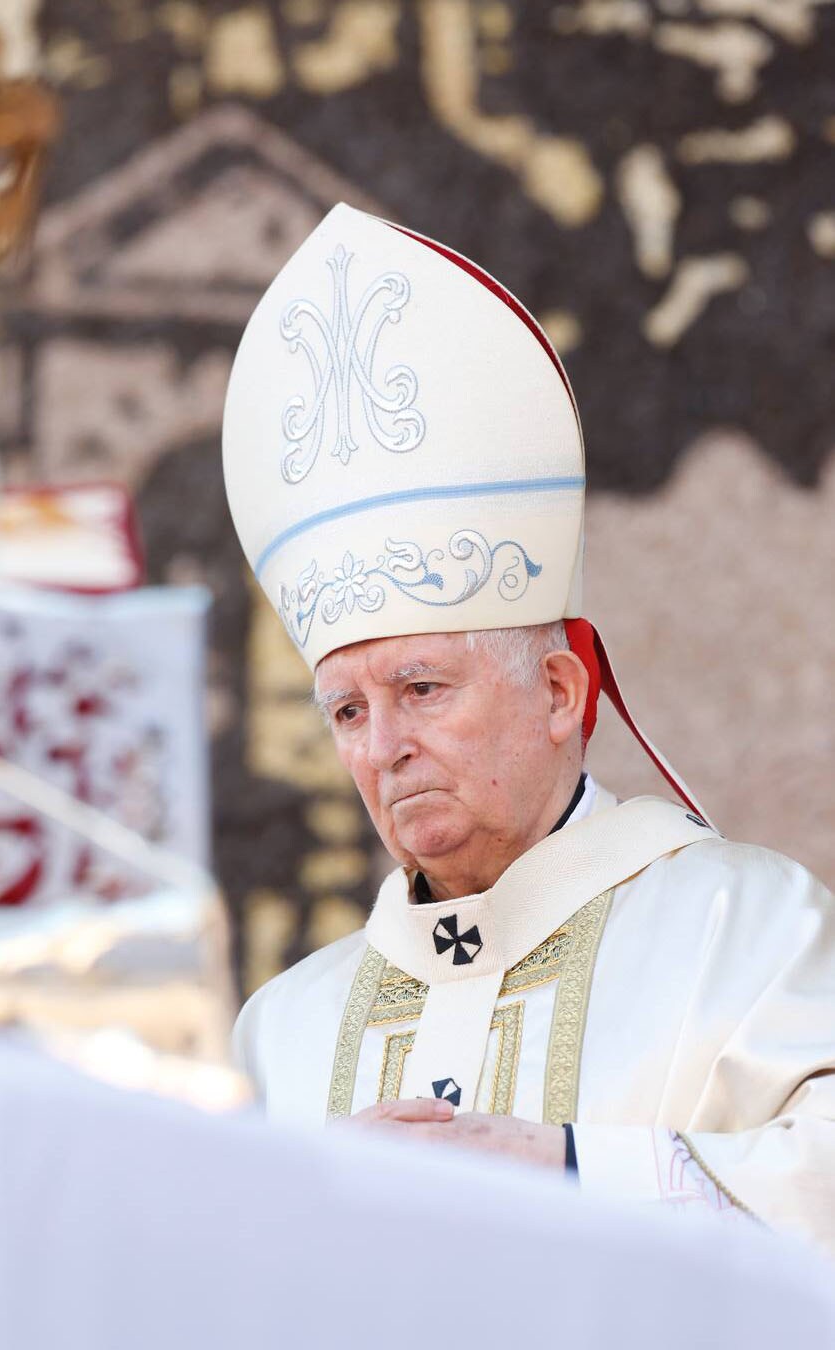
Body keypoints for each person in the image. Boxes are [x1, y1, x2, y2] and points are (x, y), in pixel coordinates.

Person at [222, 204, 834, 1255]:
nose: (383, 747)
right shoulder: (280, 1032)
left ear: (560, 693)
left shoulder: (747, 928)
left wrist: (568, 1170)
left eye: (422, 689)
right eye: (349, 711)